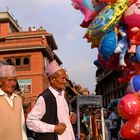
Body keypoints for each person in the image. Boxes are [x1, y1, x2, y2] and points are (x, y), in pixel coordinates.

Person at [26, 60, 77, 140]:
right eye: (63, 78)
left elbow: (59, 114)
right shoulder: (45, 98)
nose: (65, 81)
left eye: (65, 78)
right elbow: (30, 122)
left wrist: (71, 115)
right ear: (53, 80)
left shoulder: (63, 95)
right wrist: (54, 128)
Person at [0, 63, 28, 140]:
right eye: (9, 80)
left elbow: (22, 126)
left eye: (14, 80)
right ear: (0, 81)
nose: (13, 84)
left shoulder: (18, 99)